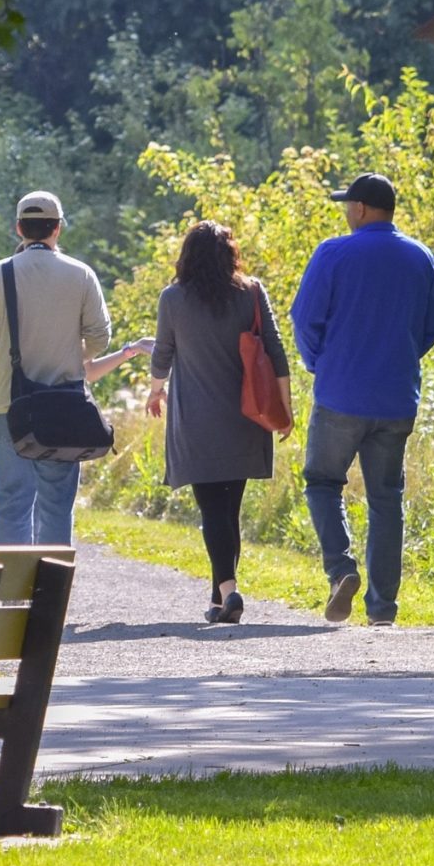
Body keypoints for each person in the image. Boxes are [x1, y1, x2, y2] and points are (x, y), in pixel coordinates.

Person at [0, 190, 147, 544]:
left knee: (12, 505)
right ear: (58, 229)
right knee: (56, 506)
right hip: (65, 406)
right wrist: (69, 355)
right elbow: (100, 339)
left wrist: (8, 357)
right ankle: (48, 590)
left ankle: (11, 591)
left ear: (19, 228)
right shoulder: (81, 275)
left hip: (8, 406)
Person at [289, 172, 434, 624]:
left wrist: (320, 362)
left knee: (322, 481)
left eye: (347, 205)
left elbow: (305, 319)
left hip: (340, 393)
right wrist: (396, 359)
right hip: (396, 399)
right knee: (385, 498)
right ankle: (383, 609)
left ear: (359, 209)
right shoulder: (421, 257)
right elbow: (431, 327)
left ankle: (341, 569)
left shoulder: (333, 252)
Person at [146, 221, 291, 624]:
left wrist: (155, 390)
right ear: (230, 254)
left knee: (213, 508)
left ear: (187, 256)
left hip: (197, 419)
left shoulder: (173, 298)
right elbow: (276, 353)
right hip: (247, 416)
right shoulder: (252, 293)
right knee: (229, 509)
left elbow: (162, 354)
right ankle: (218, 599)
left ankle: (228, 591)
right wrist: (285, 409)